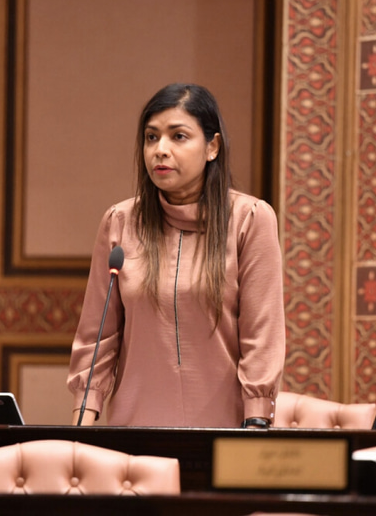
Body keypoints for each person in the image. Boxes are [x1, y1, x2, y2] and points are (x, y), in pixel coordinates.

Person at [67, 83, 285, 428]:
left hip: (225, 431)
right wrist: (83, 420)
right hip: (134, 432)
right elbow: (98, 337)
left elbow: (262, 337)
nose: (160, 150)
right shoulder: (120, 222)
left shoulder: (250, 219)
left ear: (212, 147)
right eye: (151, 137)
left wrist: (255, 423)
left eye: (178, 136)